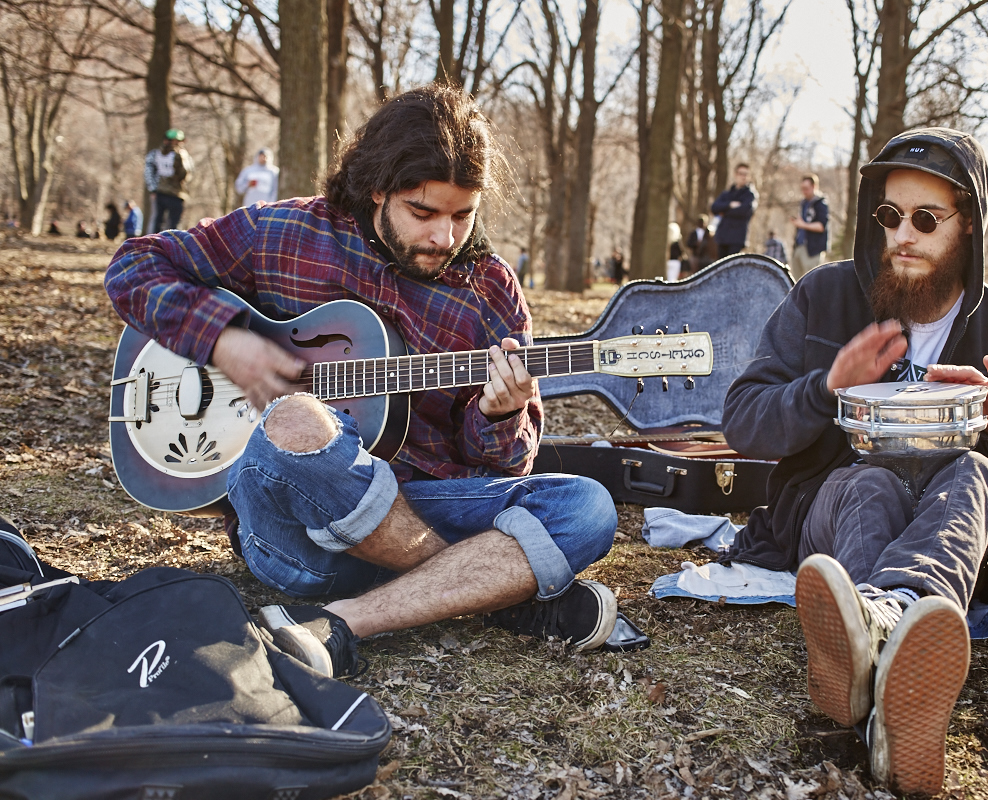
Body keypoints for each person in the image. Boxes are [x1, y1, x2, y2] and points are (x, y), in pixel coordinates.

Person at [106, 84, 621, 680]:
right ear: (377, 189)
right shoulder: (281, 233)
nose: (444, 238)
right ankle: (483, 589)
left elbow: (505, 468)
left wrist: (500, 415)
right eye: (423, 213)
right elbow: (133, 266)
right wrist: (223, 340)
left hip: (420, 506)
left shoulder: (489, 292)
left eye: (463, 215)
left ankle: (345, 621)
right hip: (297, 532)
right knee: (299, 420)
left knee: (586, 507)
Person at [721, 128, 988, 794]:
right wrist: (826, 385)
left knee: (977, 470)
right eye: (890, 216)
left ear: (969, 225)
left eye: (926, 219)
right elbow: (743, 420)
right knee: (870, 482)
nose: (903, 234)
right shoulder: (825, 296)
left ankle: (880, 635)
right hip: (832, 504)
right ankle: (901, 634)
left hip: (949, 524)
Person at [144, 128, 193, 233]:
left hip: (168, 193)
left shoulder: (155, 154)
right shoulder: (157, 155)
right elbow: (186, 173)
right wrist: (153, 189)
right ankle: (159, 243)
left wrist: (153, 189)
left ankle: (163, 243)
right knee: (165, 222)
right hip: (171, 193)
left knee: (164, 222)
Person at [711, 163, 758, 259]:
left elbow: (745, 211)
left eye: (746, 174)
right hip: (722, 237)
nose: (743, 177)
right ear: (735, 174)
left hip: (737, 239)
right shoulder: (727, 193)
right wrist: (730, 205)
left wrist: (724, 212)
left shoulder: (750, 194)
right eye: (741, 174)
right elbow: (714, 208)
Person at [790, 173, 830, 280]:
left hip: (812, 250)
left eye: (806, 188)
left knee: (811, 281)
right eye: (802, 188)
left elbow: (821, 226)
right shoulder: (803, 203)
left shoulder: (821, 204)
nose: (804, 191)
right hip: (799, 246)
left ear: (814, 186)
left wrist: (803, 225)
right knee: (796, 282)